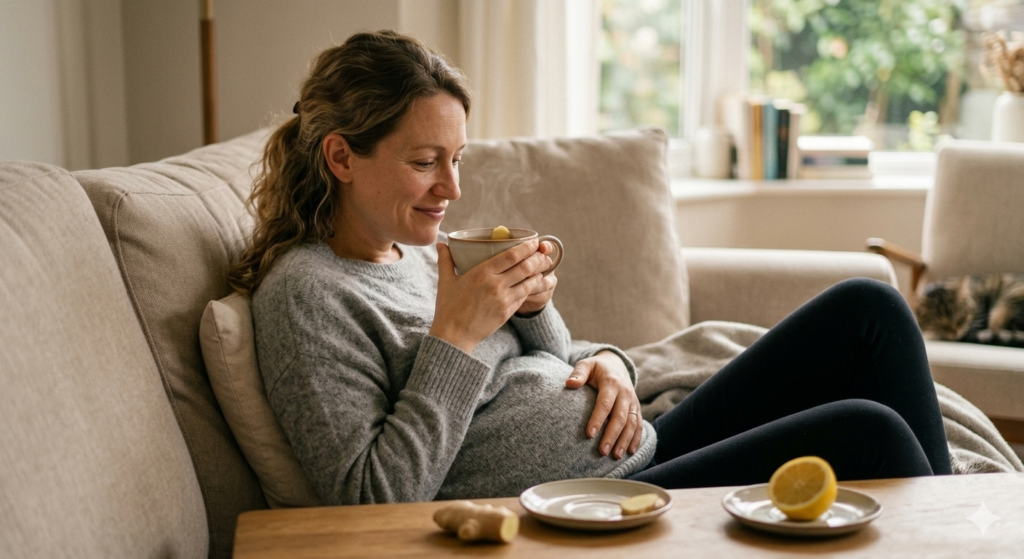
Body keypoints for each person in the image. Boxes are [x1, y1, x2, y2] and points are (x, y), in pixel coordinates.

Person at [230, 30, 951, 506]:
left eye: (457, 159)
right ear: (341, 156)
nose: (452, 188)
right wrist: (455, 337)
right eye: (425, 162)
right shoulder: (306, 294)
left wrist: (600, 357)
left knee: (870, 309)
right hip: (589, 505)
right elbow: (372, 496)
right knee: (871, 433)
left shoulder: (419, 249)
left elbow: (552, 362)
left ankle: (958, 522)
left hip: (640, 446)